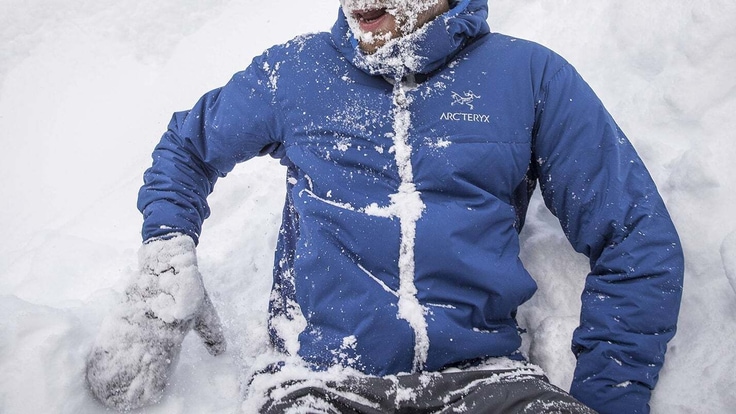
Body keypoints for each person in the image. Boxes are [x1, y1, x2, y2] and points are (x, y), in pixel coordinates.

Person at [85, 0, 684, 413]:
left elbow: (635, 234)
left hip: (486, 383)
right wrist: (166, 245)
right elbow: (187, 149)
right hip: (316, 383)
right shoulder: (296, 73)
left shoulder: (528, 76)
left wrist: (609, 396)